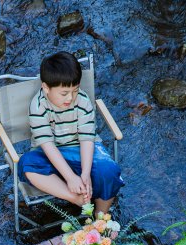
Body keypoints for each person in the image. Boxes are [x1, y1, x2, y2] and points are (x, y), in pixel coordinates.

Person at [18, 51, 124, 213]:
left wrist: (86, 173)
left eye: (75, 90)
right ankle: (77, 199)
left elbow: (87, 139)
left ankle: (101, 215)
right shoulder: (38, 107)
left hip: (80, 151)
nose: (70, 98)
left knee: (109, 169)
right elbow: (48, 146)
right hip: (51, 153)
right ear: (46, 88)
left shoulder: (82, 101)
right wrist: (70, 178)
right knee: (26, 163)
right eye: (64, 93)